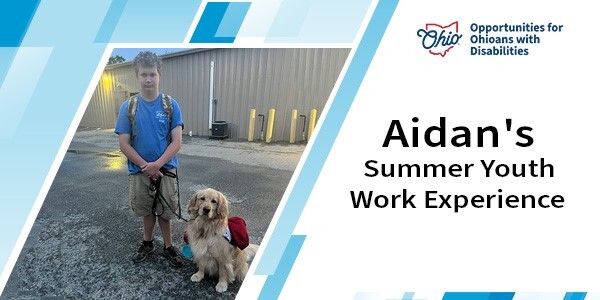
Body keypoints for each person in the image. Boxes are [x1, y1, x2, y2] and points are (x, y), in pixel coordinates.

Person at [115, 51, 184, 268]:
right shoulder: (128, 107)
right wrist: (146, 167)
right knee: (147, 210)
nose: (148, 79)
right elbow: (124, 143)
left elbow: (177, 142)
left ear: (159, 75)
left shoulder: (170, 105)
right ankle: (147, 243)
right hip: (140, 172)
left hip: (166, 170)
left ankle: (168, 246)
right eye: (144, 74)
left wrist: (158, 165)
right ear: (137, 76)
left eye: (152, 74)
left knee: (165, 212)